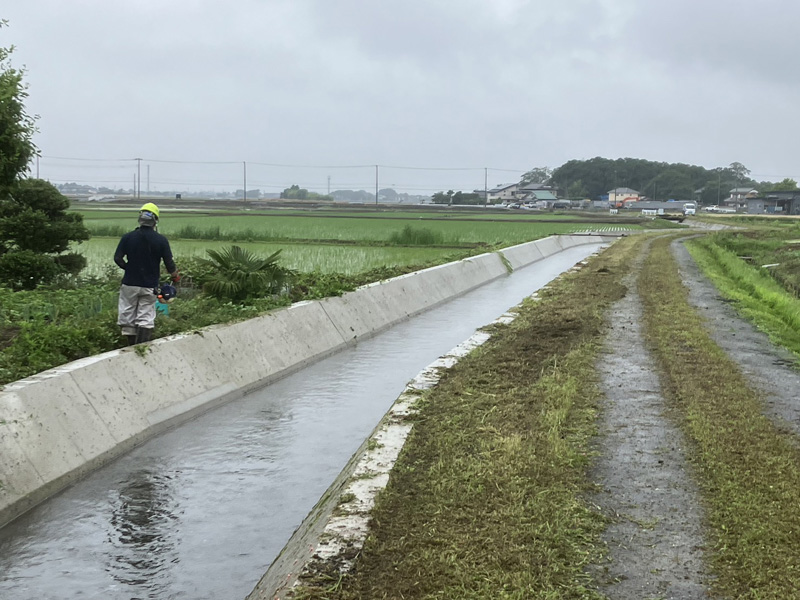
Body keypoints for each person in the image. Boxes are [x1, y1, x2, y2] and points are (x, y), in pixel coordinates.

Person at [114, 203, 179, 345]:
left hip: (129, 283)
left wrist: (129, 268)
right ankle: (141, 347)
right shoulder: (161, 240)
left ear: (140, 219)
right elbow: (169, 263)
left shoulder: (128, 237)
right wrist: (175, 276)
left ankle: (130, 347)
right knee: (146, 315)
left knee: (127, 313)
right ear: (155, 221)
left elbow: (117, 258)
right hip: (150, 285)